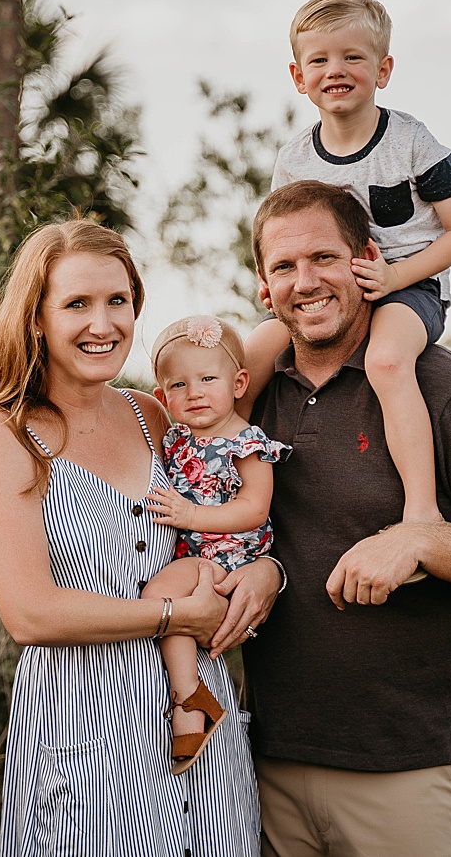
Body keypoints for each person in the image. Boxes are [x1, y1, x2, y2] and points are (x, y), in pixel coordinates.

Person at [241, 180, 451, 857]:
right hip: (266, 767)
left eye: (324, 258)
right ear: (263, 285)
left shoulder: (448, 390)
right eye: (284, 266)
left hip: (410, 776)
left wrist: (418, 538)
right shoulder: (246, 400)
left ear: (366, 258)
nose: (306, 281)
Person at [0, 220, 268, 856]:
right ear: (36, 319)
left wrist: (265, 574)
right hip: (88, 739)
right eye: (76, 304)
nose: (102, 323)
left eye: (118, 300)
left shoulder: (153, 414)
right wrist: (174, 614)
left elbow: (227, 510)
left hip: (196, 716)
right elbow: (30, 613)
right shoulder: (1, 435)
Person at [243, 0, 451, 531]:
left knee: (386, 362)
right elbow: (279, 235)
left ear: (384, 68)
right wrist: (271, 280)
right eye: (320, 60)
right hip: (323, 289)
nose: (337, 70)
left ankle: (422, 513)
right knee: (250, 357)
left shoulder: (412, 142)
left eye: (353, 57)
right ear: (298, 76)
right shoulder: (295, 158)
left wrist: (395, 275)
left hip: (406, 287)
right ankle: (211, 484)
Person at [139, 315, 290, 774]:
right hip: (197, 553)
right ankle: (194, 696)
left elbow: (254, 509)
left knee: (157, 598)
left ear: (239, 382)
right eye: (179, 385)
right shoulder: (175, 439)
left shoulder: (246, 443)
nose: (195, 392)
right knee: (170, 608)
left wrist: (191, 516)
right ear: (163, 397)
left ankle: (188, 699)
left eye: (208, 379)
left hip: (232, 556)